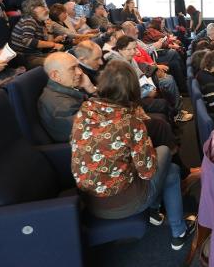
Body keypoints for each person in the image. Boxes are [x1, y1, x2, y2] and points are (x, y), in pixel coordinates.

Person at [70, 61, 196, 250]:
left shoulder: (84, 110)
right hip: (123, 204)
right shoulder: (129, 121)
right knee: (166, 159)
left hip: (90, 202)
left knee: (170, 172)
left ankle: (165, 221)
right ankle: (176, 230)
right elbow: (147, 172)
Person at [38, 52, 97, 142]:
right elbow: (94, 127)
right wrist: (92, 91)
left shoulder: (65, 89)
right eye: (72, 68)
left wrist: (89, 88)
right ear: (55, 76)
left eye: (78, 66)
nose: (80, 72)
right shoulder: (61, 105)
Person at [9, 0, 64, 68]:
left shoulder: (41, 22)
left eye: (45, 6)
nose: (46, 9)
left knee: (63, 56)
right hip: (25, 57)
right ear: (32, 9)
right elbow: (28, 41)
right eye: (43, 7)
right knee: (56, 62)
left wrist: (50, 31)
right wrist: (53, 45)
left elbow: (48, 45)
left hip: (36, 55)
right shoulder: (29, 20)